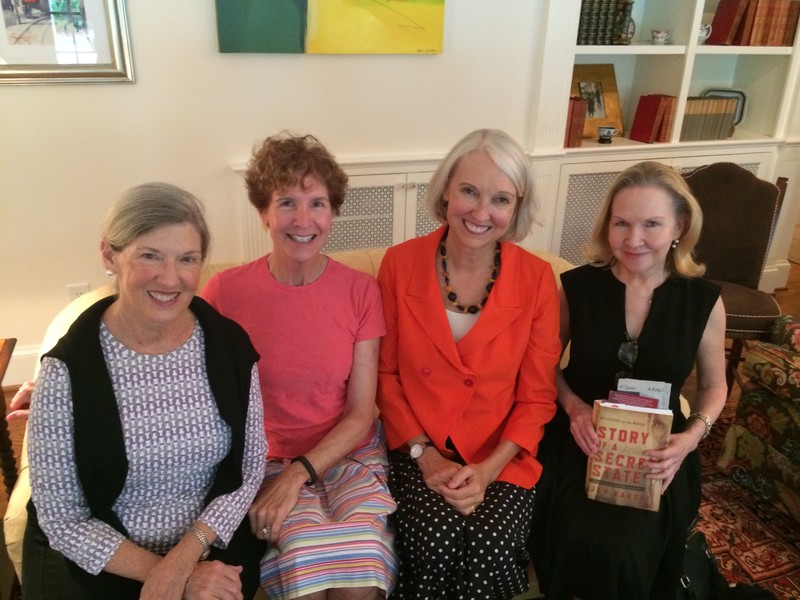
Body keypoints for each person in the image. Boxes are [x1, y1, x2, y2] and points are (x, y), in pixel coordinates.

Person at [24, 182, 268, 599]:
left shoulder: (229, 347)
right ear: (109, 255)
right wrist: (169, 575)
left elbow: (248, 469)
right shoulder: (67, 369)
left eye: (187, 259)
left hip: (210, 546)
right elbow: (62, 518)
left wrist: (187, 557)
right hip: (105, 557)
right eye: (150, 256)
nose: (170, 278)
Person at [201, 132, 397, 599]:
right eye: (287, 202)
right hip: (267, 460)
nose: (303, 219)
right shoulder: (225, 292)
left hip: (348, 453)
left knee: (360, 570)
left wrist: (299, 475)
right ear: (263, 212)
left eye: (318, 203)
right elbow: (180, 368)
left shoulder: (359, 291)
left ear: (333, 213)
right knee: (305, 566)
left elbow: (360, 412)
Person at [376, 128, 561, 599]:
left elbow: (537, 396)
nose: (481, 213)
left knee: (491, 543)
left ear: (516, 209)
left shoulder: (538, 280)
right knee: (433, 539)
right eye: (469, 192)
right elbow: (387, 376)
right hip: (419, 449)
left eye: (500, 199)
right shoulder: (399, 265)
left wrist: (488, 470)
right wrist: (426, 456)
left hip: (502, 453)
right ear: (445, 191)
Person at [530, 161, 727, 599]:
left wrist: (691, 439)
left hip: (662, 450)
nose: (633, 239)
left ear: (679, 225)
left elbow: (714, 387)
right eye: (621, 223)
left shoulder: (704, 301)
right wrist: (575, 407)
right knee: (573, 529)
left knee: (627, 546)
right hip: (581, 437)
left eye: (651, 224)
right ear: (607, 226)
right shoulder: (577, 287)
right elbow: (543, 365)